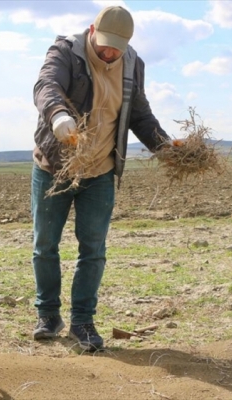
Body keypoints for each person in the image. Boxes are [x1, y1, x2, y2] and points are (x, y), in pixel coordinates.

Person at [31, 6, 170, 351]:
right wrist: (58, 114)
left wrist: (166, 148)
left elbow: (139, 113)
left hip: (101, 170)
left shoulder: (132, 63)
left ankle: (82, 322)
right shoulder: (65, 52)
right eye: (105, 45)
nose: (109, 53)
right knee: (45, 245)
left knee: (92, 249)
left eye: (117, 48)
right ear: (92, 30)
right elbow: (45, 85)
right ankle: (49, 315)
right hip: (56, 167)